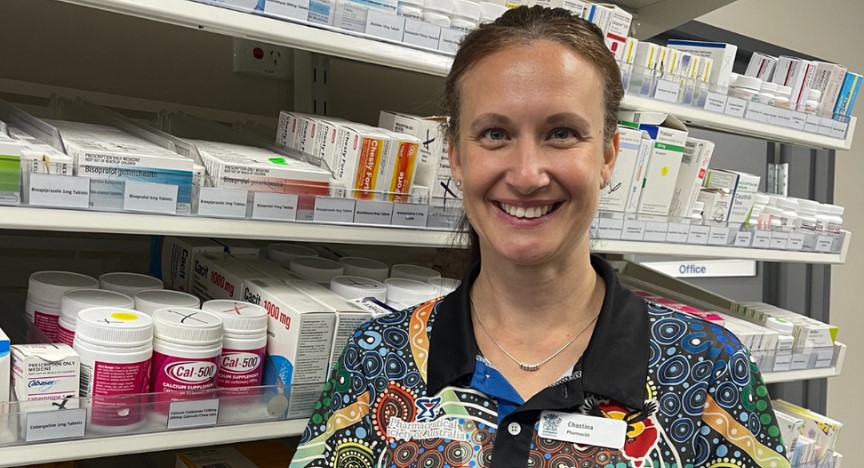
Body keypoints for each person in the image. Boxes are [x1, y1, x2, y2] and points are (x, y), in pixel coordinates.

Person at [291, 6, 790, 468]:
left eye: (561, 133)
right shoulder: (378, 356)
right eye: (494, 134)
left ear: (609, 156)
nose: (527, 174)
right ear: (456, 158)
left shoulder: (708, 368)